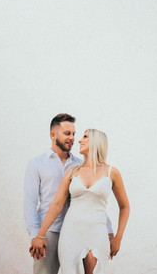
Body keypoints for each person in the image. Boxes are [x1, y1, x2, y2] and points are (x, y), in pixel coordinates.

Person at [24, 114, 116, 274]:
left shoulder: (80, 165)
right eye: (67, 133)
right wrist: (36, 235)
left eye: (74, 134)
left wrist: (107, 229)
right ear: (53, 135)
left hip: (78, 232)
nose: (73, 138)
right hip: (49, 232)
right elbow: (30, 202)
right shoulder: (36, 164)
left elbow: (94, 200)